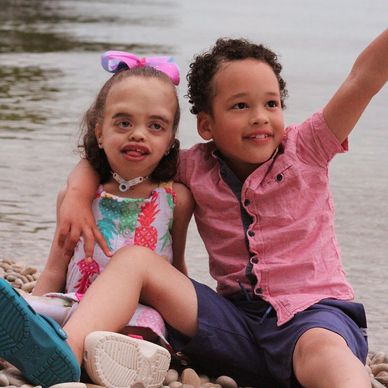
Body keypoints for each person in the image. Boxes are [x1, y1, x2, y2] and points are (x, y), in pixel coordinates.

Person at [2, 30, 388, 388]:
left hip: (312, 319)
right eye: (240, 105)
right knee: (135, 259)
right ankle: (62, 354)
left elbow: (364, 77)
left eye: (271, 103)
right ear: (206, 125)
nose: (259, 116)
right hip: (236, 328)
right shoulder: (193, 166)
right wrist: (76, 193)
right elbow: (118, 159)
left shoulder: (308, 148)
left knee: (321, 350)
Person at [0, 52, 193, 388]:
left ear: (170, 142)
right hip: (76, 303)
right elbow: (55, 268)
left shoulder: (177, 199)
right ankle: (54, 348)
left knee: (142, 326)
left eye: (155, 126)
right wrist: (30, 307)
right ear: (99, 132)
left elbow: (176, 267)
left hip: (138, 312)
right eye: (123, 122)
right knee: (34, 309)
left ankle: (95, 357)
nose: (138, 134)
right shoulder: (76, 199)